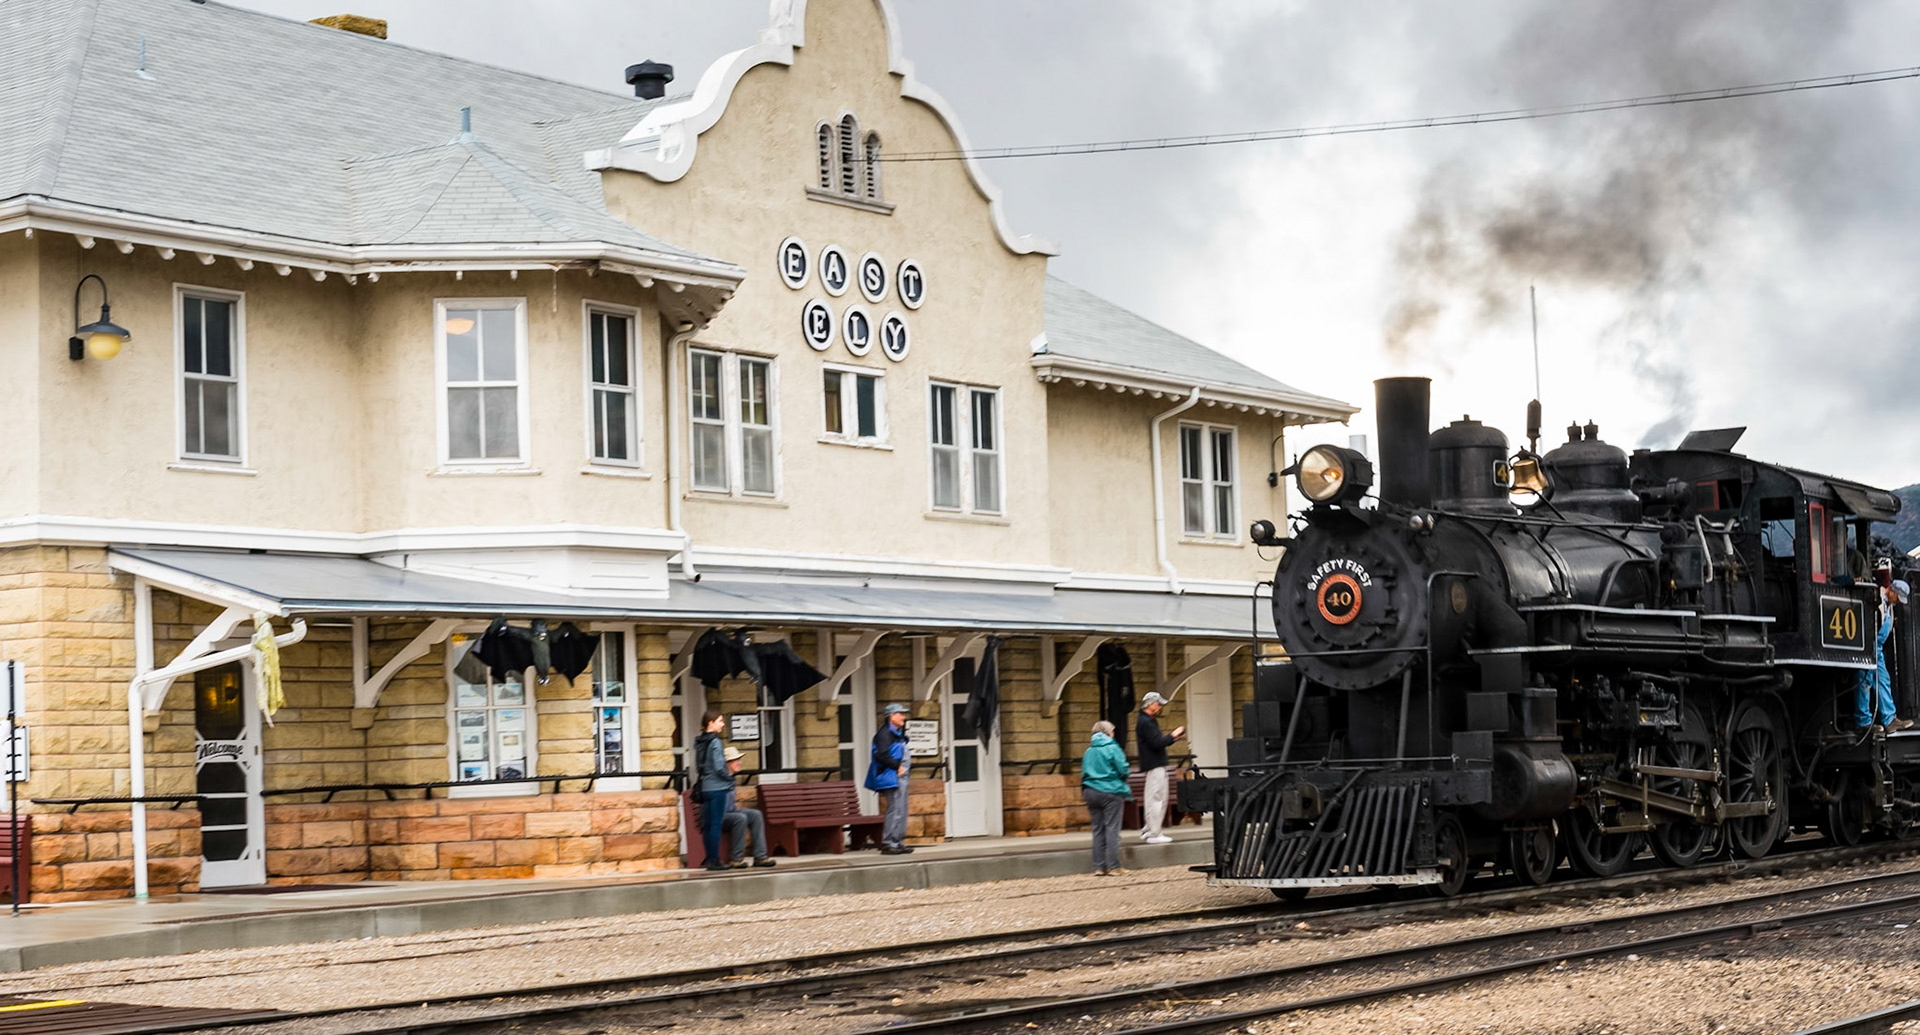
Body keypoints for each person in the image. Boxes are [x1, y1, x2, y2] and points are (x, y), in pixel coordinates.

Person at [1858, 580, 1916, 733]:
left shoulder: (1888, 605)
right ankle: (1863, 721)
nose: (1897, 602)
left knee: (1883, 680)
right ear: (1892, 591)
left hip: (1877, 647)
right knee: (1865, 681)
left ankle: (1889, 720)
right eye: (1897, 598)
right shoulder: (1875, 599)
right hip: (1868, 645)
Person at [1081, 719, 1132, 876]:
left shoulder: (1089, 750)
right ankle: (1114, 866)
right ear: (1108, 733)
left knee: (1097, 829)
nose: (1114, 734)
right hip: (1110, 791)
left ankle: (1099, 866)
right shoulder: (1112, 747)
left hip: (1090, 791)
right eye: (1112, 731)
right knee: (1112, 828)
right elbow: (1123, 769)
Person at [1134, 691, 1186, 845]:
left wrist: (1172, 739)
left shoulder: (1146, 721)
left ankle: (1149, 829)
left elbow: (1156, 742)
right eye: (1158, 704)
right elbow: (1156, 743)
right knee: (1156, 798)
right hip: (1155, 764)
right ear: (1150, 704)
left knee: (1154, 797)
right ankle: (1154, 833)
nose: (1160, 707)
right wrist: (1172, 735)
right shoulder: (1146, 722)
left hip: (1154, 764)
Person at [866, 703, 914, 855]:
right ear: (891, 716)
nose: (903, 717)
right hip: (892, 775)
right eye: (900, 714)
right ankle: (888, 843)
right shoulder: (885, 734)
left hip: (900, 776)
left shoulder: (897, 733)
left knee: (902, 808)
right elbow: (880, 754)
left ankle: (898, 841)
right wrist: (897, 766)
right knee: (895, 809)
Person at [720, 746, 776, 868]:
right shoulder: (719, 779)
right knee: (740, 818)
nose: (740, 762)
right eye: (736, 760)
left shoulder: (730, 778)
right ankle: (736, 859)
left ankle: (760, 857)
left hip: (730, 813)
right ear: (727, 763)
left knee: (756, 815)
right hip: (718, 816)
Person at [692, 709, 732, 872]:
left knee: (707, 825)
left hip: (705, 787)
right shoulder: (715, 742)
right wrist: (729, 777)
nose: (723, 724)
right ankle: (715, 860)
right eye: (720, 721)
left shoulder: (700, 742)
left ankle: (709, 858)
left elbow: (698, 766)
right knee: (716, 824)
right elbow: (718, 766)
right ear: (711, 723)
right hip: (717, 787)